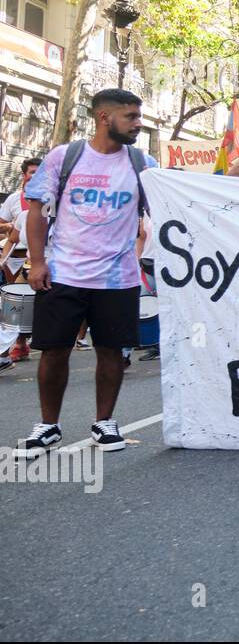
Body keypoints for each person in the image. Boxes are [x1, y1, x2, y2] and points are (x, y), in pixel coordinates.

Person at [13, 88, 158, 459]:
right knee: (53, 352)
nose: (138, 124)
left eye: (139, 117)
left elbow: (172, 206)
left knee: (112, 352)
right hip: (63, 274)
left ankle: (104, 422)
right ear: (104, 118)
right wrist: (39, 262)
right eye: (131, 117)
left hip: (118, 277)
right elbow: (35, 211)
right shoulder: (65, 157)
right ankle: (48, 426)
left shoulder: (143, 163)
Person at [1, 157, 41, 363]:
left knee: (47, 312)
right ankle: (15, 347)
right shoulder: (24, 216)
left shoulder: (58, 214)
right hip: (26, 266)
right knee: (13, 307)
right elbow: (12, 240)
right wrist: (3, 259)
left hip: (55, 272)